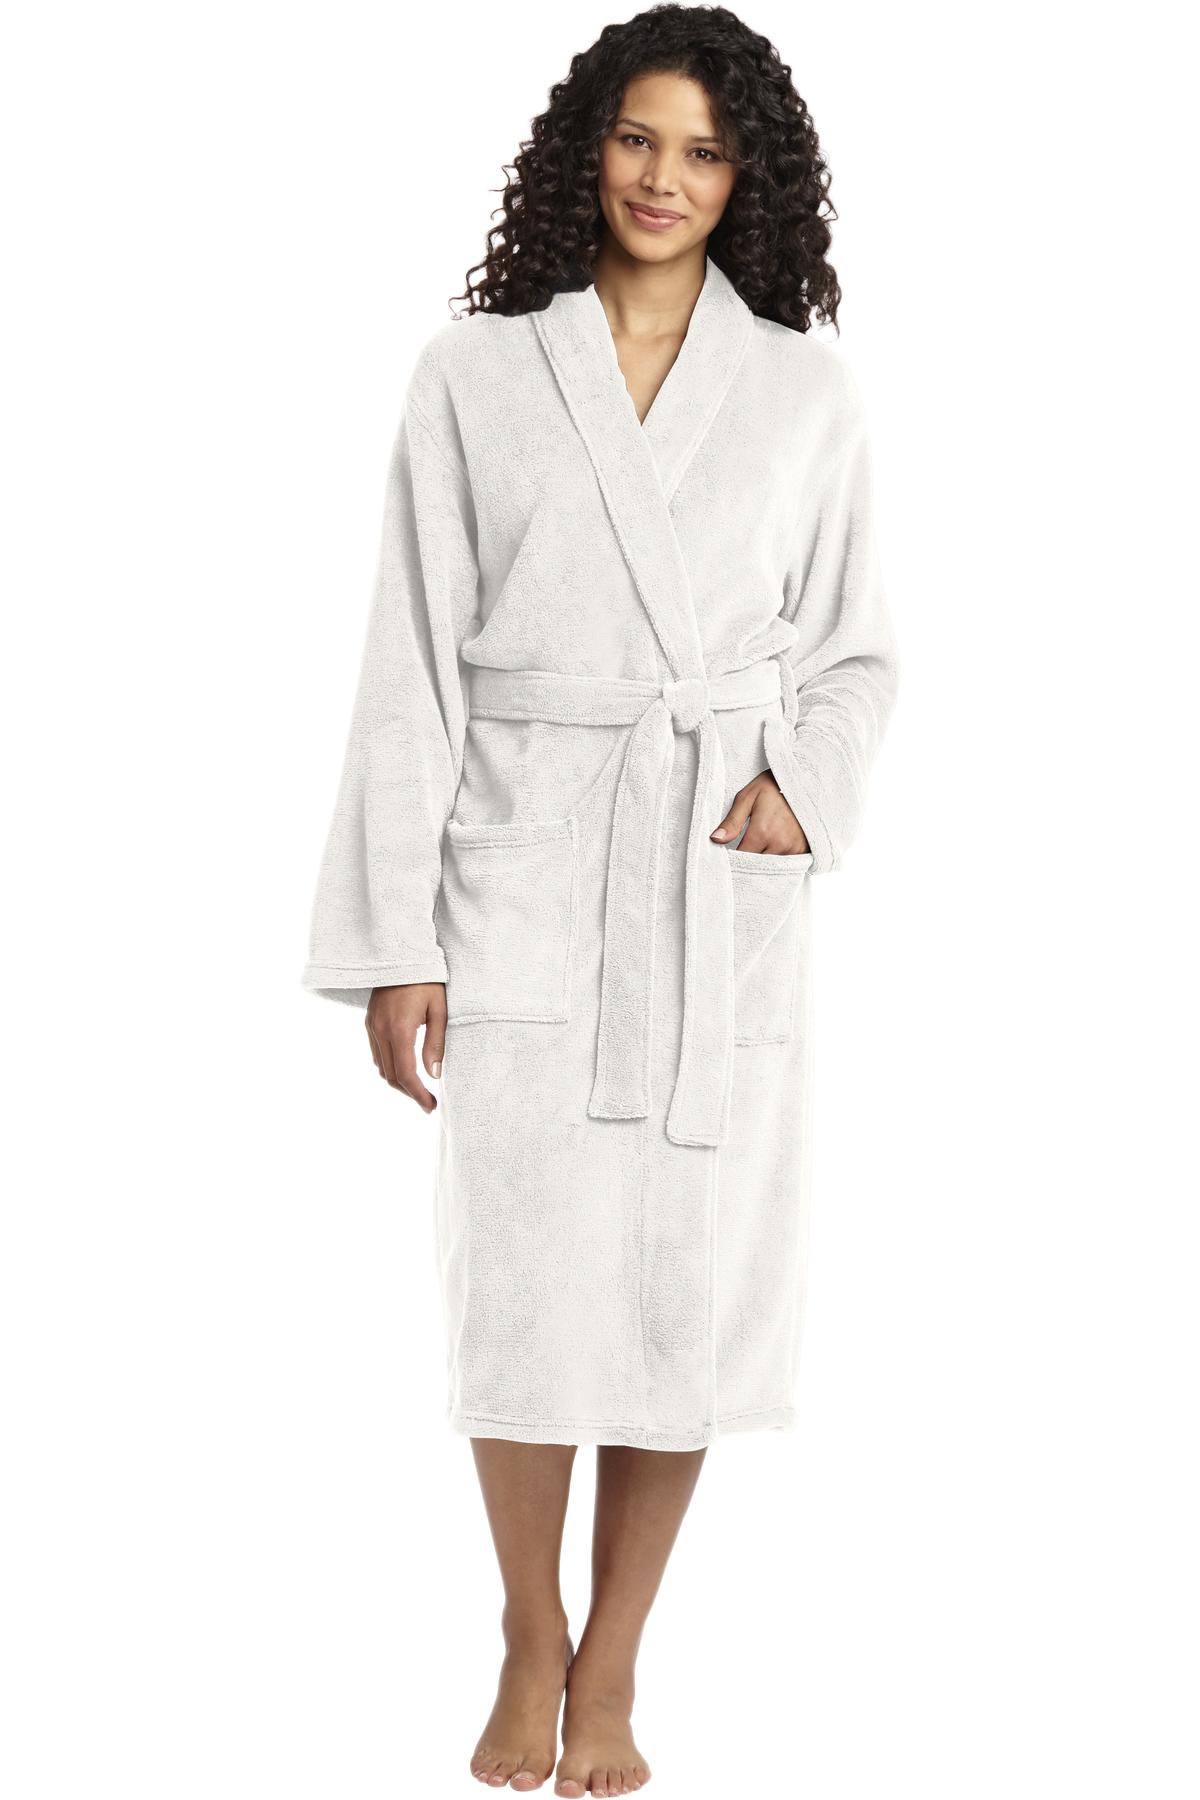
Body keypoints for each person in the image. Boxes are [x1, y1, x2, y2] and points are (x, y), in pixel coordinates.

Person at [301, 5, 899, 1792]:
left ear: (747, 182)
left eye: (704, 152)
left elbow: (858, 651)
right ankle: (526, 1626)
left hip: (712, 883)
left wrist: (802, 791)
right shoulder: (473, 374)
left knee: (680, 1297)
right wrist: (396, 938)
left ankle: (618, 1657)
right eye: (639, 138)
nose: (663, 178)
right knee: (524, 1282)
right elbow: (409, 667)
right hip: (524, 872)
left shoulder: (802, 391)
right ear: (589, 147)